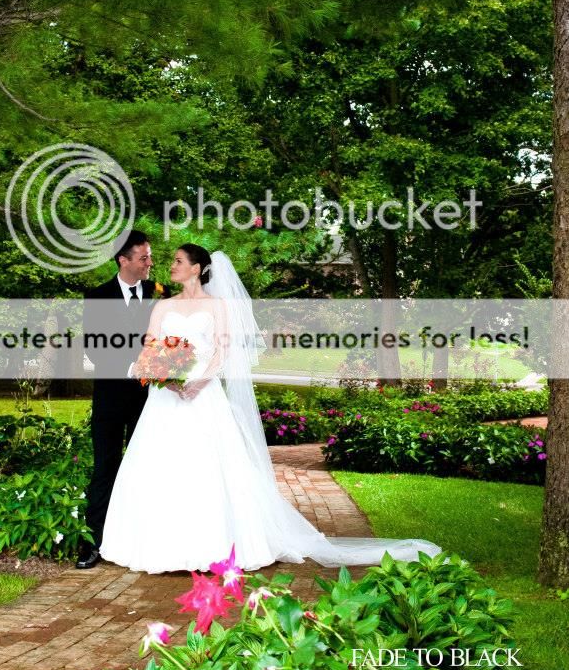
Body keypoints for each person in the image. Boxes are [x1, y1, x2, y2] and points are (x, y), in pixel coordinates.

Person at [98, 244, 442, 572]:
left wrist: (200, 381)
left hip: (204, 394)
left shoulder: (217, 306)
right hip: (166, 398)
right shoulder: (163, 307)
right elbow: (150, 348)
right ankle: (158, 545)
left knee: (208, 467)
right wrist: (167, 378)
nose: (171, 266)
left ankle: (214, 547)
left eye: (177, 261)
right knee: (162, 466)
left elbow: (222, 352)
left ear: (197, 269)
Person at [76, 230, 170, 569]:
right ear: (123, 260)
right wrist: (133, 367)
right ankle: (93, 544)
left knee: (148, 468)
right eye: (144, 257)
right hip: (110, 399)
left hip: (151, 401)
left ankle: (146, 542)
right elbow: (94, 347)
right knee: (105, 468)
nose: (150, 263)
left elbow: (170, 341)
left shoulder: (161, 294)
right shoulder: (97, 296)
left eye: (150, 256)